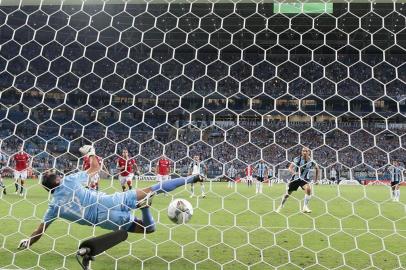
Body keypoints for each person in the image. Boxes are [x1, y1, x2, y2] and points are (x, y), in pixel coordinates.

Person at [18, 145, 203, 249]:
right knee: (154, 187)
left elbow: (39, 231)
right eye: (55, 174)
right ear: (56, 181)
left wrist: (28, 242)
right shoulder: (69, 181)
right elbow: (96, 168)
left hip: (108, 220)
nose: (58, 173)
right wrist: (91, 152)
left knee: (148, 229)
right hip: (110, 200)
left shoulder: (54, 207)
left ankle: (145, 207)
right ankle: (190, 179)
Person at [276, 147, 320, 213]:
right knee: (287, 194)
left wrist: (316, 180)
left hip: (304, 179)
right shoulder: (297, 159)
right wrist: (294, 173)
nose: (304, 152)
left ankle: (305, 207)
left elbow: (317, 169)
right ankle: (281, 205)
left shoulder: (312, 161)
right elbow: (290, 168)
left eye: (306, 151)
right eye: (303, 151)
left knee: (308, 189)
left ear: (309, 152)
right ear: (301, 152)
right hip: (295, 179)